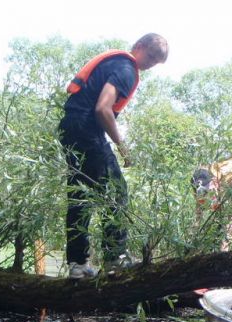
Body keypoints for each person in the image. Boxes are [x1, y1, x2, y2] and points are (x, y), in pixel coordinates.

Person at [59, 33, 168, 279]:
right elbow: (102, 108)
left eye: (155, 62)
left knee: (80, 195)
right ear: (139, 46)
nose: (150, 64)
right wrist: (122, 147)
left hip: (70, 128)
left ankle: (77, 265)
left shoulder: (115, 64)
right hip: (87, 130)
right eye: (150, 57)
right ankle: (115, 260)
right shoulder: (126, 69)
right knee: (116, 192)